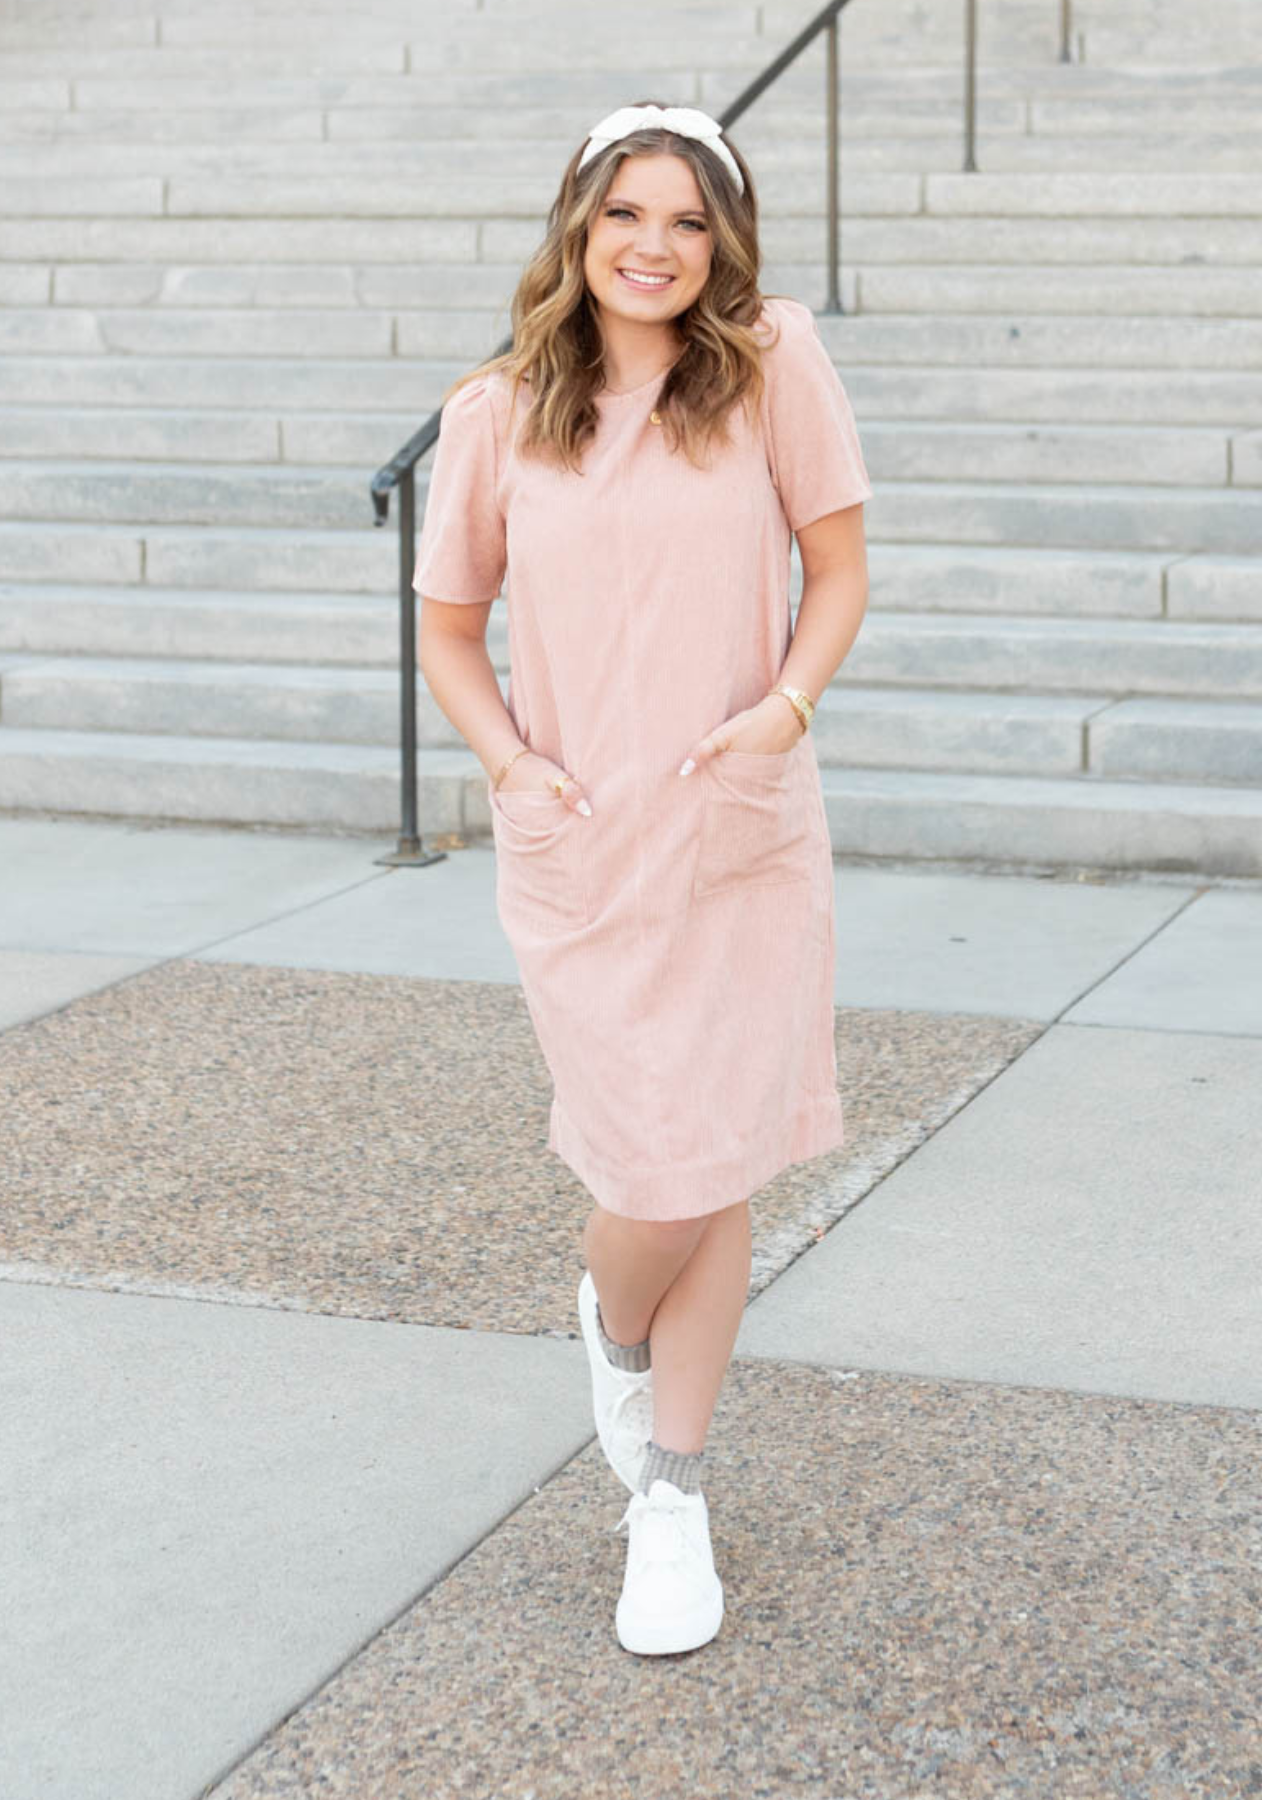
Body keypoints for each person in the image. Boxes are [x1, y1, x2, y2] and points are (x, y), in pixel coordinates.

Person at [414, 100, 871, 1657]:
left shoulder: (770, 367)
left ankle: (669, 1496)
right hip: (583, 842)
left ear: (720, 241)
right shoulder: (492, 413)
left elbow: (842, 565)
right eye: (627, 217)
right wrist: (509, 766)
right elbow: (447, 630)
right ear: (578, 228)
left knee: (718, 1151)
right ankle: (613, 1323)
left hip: (737, 828)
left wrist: (782, 709)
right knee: (651, 1166)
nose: (655, 247)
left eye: (687, 220)